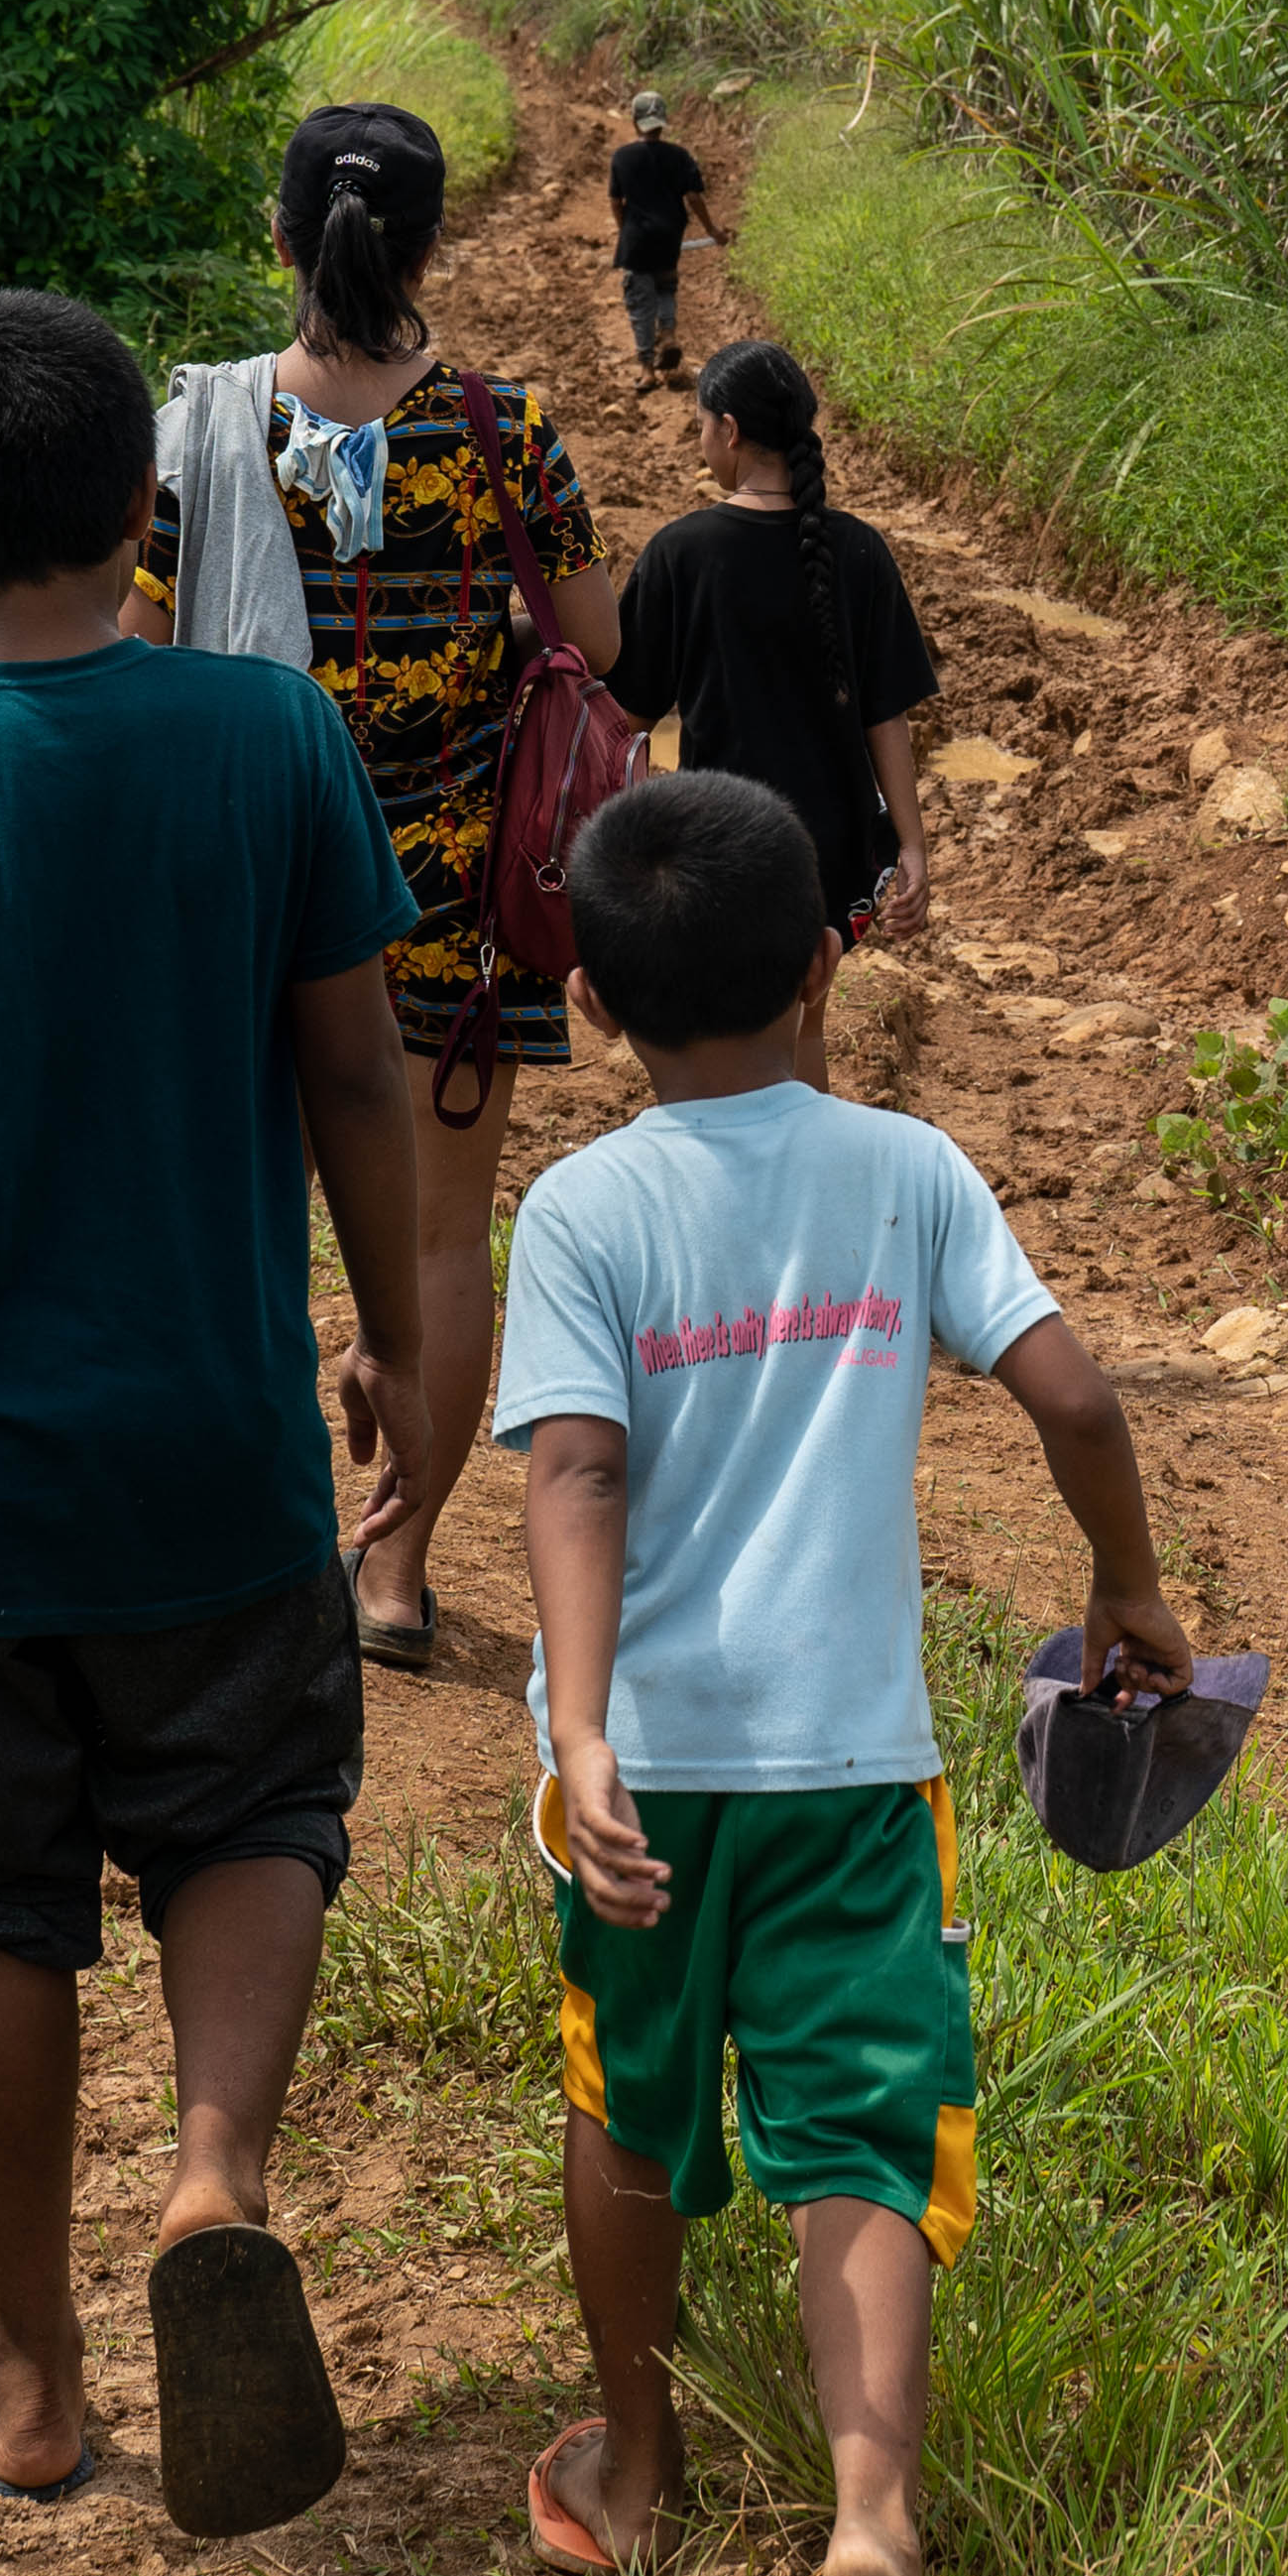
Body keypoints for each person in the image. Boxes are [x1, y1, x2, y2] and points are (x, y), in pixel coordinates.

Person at [0, 289, 437, 2534]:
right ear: (146, 500)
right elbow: (352, 1066)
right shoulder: (269, 743)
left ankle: (30, 2374)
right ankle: (211, 2173)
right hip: (217, 1453)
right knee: (249, 1806)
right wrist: (406, 1335)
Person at [499, 769, 1184, 2576]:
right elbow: (1066, 1384)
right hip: (851, 1764)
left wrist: (587, 1729)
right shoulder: (901, 1169)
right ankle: (868, 2510)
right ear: (822, 965)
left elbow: (569, 1472)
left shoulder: (584, 1208)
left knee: (630, 2091)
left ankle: (629, 2465)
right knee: (860, 2124)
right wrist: (1126, 1581)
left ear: (596, 1002)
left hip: (639, 1767)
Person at [141, 99, 622, 1672]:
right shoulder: (505, 427)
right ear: (423, 247)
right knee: (430, 1244)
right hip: (446, 912)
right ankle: (395, 1568)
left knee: (245, 1223)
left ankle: (261, 1540)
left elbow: (142, 654)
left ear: (280, 238)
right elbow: (595, 647)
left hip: (246, 894)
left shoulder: (201, 426)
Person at [608, 340, 946, 942]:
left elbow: (625, 723)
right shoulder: (861, 551)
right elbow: (886, 717)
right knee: (805, 1022)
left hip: (720, 844)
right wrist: (913, 848)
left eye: (702, 427)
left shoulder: (679, 554)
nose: (703, 442)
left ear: (730, 430)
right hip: (832, 851)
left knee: (732, 1024)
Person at [605, 88, 722, 373]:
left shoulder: (622, 157)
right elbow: (694, 198)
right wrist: (714, 231)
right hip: (669, 239)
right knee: (666, 289)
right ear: (662, 122)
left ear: (635, 122)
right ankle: (668, 335)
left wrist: (625, 232)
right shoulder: (680, 156)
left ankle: (646, 367)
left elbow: (615, 202)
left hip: (637, 241)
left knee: (639, 302)